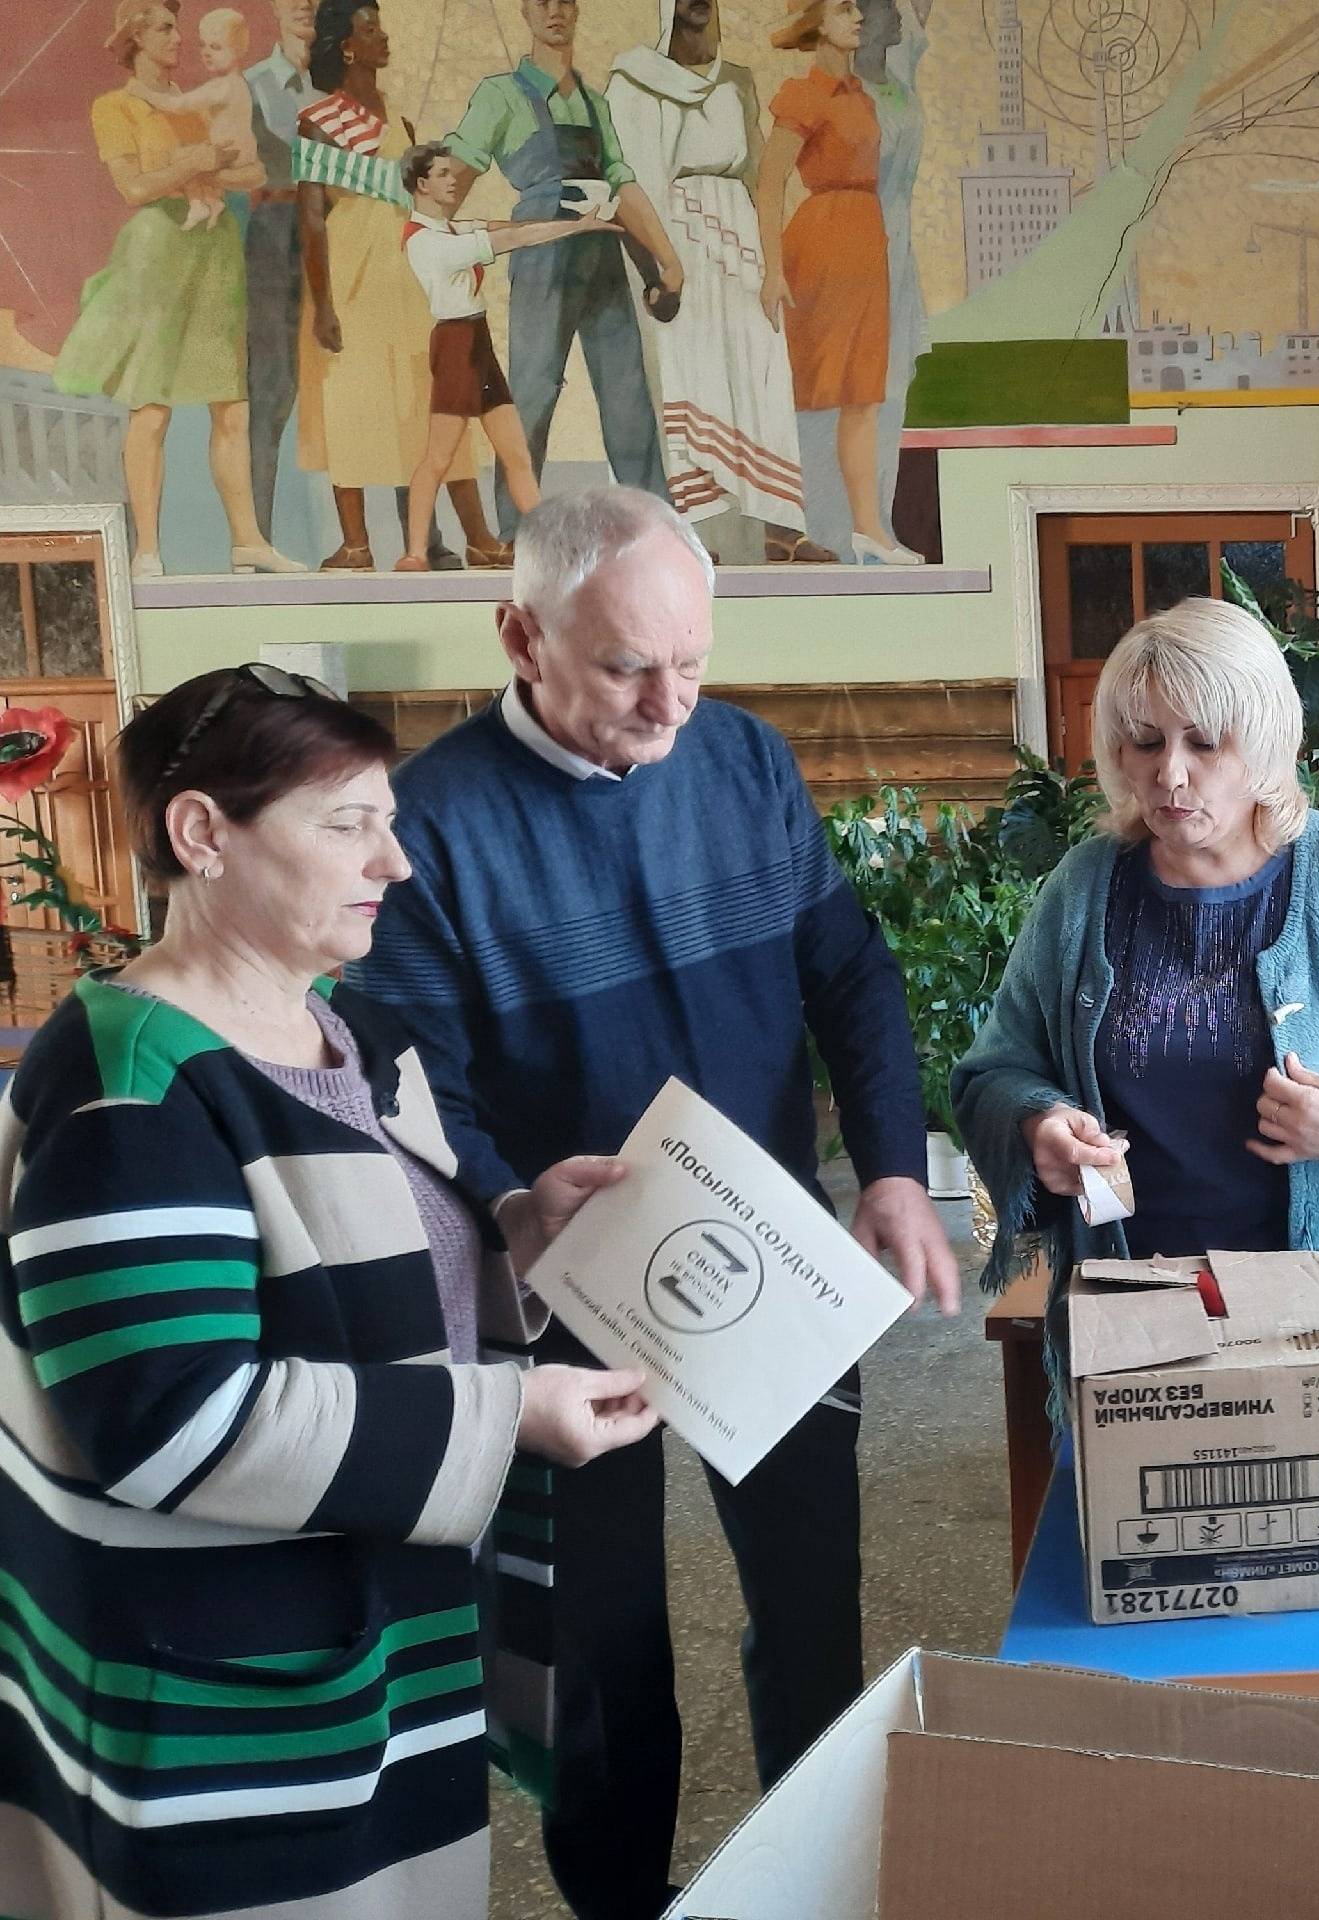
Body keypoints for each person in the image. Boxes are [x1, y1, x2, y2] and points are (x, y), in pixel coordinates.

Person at [352, 485, 958, 1920]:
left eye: (692, 660)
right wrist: (506, 1198)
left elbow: (849, 973)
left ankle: (819, 1882)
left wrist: (890, 1164)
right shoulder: (429, 825)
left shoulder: (741, 759)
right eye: (629, 667)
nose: (670, 702)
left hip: (766, 1258)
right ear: (520, 637)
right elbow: (410, 1079)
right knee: (596, 1638)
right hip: (565, 1288)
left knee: (811, 1605)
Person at [0, 664, 659, 1920]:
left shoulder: (354, 1039)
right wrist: (509, 1416)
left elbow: (373, 1275)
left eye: (390, 823)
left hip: (375, 1646)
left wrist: (521, 1233)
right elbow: (169, 1418)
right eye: (349, 824)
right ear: (203, 833)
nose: (394, 864)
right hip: (229, 1708)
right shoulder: (132, 1091)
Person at [952, 598, 1319, 1410]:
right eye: (1146, 742)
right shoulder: (1083, 891)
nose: (1170, 774)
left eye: (1205, 743)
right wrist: (1038, 1125)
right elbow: (995, 1072)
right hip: (1134, 1326)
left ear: (1266, 746)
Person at [51, 0, 301, 579]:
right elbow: (134, 188)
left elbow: (255, 171)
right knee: (152, 407)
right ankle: (147, 550)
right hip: (157, 254)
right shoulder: (114, 106)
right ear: (136, 36)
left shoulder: (203, 100)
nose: (178, 38)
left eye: (177, 27)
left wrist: (201, 168)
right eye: (165, 28)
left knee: (232, 404)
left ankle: (248, 541)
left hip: (214, 252)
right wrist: (199, 163)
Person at [444, 0, 686, 533]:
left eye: (565, 1)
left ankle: (658, 530)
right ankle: (515, 532)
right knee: (532, 391)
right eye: (542, 2)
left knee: (627, 392)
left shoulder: (596, 103)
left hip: (602, 250)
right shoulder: (501, 94)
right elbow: (454, 175)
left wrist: (667, 259)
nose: (555, 11)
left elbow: (621, 183)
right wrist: (429, 242)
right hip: (543, 250)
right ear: (526, 13)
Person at [608, 0, 833, 561]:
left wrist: (773, 265)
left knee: (762, 370)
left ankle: (781, 530)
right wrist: (659, 267)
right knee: (691, 374)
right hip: (677, 238)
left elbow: (757, 175)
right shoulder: (635, 78)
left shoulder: (736, 81)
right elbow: (633, 181)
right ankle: (692, 535)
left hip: (741, 236)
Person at [294, 0, 501, 569]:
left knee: (433, 402)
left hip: (408, 273)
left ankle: (478, 537)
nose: (383, 37)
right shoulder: (318, 121)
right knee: (351, 403)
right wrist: (323, 306)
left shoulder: (399, 118)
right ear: (347, 47)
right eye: (370, 29)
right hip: (351, 280)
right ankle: (356, 545)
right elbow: (311, 218)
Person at [396, 142, 615, 571]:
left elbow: (505, 224)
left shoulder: (449, 229)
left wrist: (570, 221)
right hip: (456, 345)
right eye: (442, 174)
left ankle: (545, 547)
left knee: (517, 454)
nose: (453, 180)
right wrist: (577, 229)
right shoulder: (427, 243)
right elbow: (512, 238)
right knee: (437, 457)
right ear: (421, 184)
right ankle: (415, 553)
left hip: (477, 343)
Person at [758, 0, 921, 565]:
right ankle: (786, 525)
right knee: (812, 391)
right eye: (844, 7)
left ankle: (870, 529)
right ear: (817, 22)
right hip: (821, 246)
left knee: (863, 393)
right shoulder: (804, 94)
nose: (858, 16)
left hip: (865, 245)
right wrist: (772, 269)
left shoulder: (862, 97)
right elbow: (770, 183)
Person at [243, 0, 318, 542]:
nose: (304, 5)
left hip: (330, 237)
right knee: (272, 385)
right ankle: (259, 535)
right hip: (272, 233)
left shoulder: (332, 93)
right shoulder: (248, 86)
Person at [855, 0, 928, 544]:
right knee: (859, 391)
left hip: (899, 250)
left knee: (894, 387)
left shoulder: (898, 83)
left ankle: (879, 519)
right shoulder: (844, 90)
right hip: (857, 243)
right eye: (884, 7)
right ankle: (852, 522)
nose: (897, 13)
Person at [136, 6, 256, 231]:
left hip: (230, 155)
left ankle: (198, 203)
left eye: (216, 47)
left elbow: (179, 105)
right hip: (240, 153)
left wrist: (146, 94)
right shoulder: (240, 84)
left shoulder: (222, 86)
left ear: (238, 50)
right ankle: (211, 201)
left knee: (182, 158)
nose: (206, 53)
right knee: (195, 158)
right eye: (203, 45)